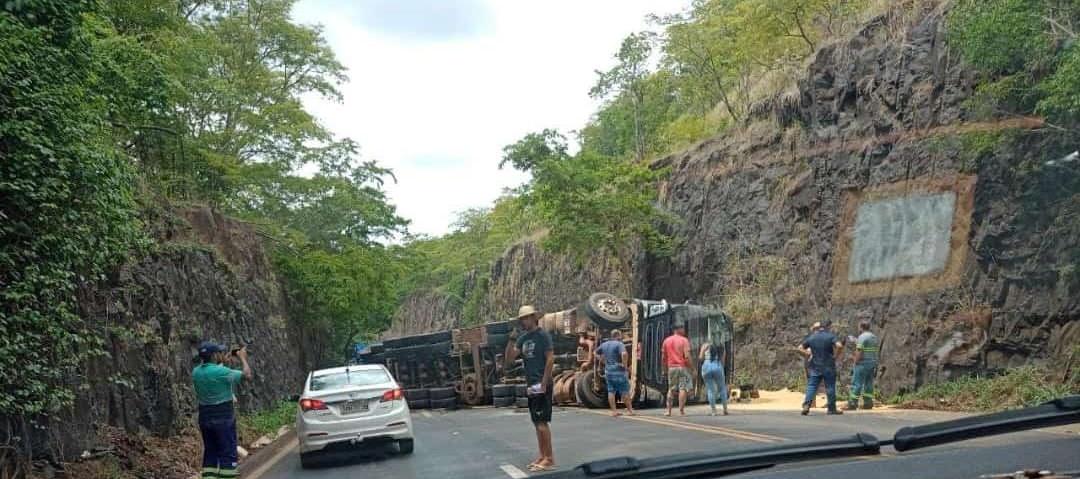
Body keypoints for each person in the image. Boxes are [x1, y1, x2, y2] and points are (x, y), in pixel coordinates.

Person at [505, 305, 555, 472]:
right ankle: (542, 455)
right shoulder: (523, 338)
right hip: (531, 384)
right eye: (522, 319)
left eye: (526, 318)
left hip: (542, 383)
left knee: (542, 422)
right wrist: (511, 340)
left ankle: (549, 458)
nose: (524, 321)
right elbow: (510, 359)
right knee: (536, 422)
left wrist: (544, 382)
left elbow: (550, 359)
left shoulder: (543, 336)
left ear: (534, 318)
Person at [193, 341, 251, 479]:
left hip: (205, 418)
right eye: (218, 352)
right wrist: (242, 357)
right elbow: (246, 375)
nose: (221, 354)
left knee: (211, 451)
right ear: (214, 355)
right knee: (227, 452)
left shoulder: (196, 372)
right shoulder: (221, 372)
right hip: (223, 417)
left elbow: (213, 372)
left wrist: (222, 361)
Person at [799, 320, 844, 415]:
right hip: (828, 366)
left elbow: (799, 348)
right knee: (830, 386)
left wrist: (808, 353)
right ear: (827, 327)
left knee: (812, 386)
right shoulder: (830, 336)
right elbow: (839, 346)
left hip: (815, 366)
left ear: (819, 327)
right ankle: (831, 409)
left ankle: (807, 405)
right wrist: (835, 356)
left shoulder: (812, 337)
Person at [595, 330, 635, 417]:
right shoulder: (619, 344)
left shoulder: (604, 344)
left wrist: (603, 361)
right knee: (624, 390)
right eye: (620, 336)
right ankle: (630, 411)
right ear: (618, 336)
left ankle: (614, 411)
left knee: (611, 391)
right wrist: (624, 366)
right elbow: (624, 354)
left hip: (608, 371)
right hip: (618, 371)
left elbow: (596, 353)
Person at [661, 323, 694, 416]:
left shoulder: (666, 341)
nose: (684, 330)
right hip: (682, 367)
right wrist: (692, 368)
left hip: (671, 367)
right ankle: (681, 411)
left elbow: (663, 357)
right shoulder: (684, 340)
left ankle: (669, 411)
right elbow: (687, 356)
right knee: (683, 388)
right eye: (682, 328)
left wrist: (664, 369)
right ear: (678, 329)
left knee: (671, 389)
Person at [846, 319, 880, 410]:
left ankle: (853, 403)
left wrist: (855, 360)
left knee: (857, 383)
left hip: (862, 363)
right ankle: (868, 403)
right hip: (872, 363)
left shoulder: (862, 337)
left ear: (861, 327)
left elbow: (859, 350)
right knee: (869, 383)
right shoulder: (874, 337)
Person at [699, 340, 728, 416]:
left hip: (706, 366)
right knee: (722, 388)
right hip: (717, 365)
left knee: (710, 390)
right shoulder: (721, 346)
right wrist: (721, 368)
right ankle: (725, 410)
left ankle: (713, 411)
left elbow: (701, 358)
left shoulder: (705, 345)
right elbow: (723, 360)